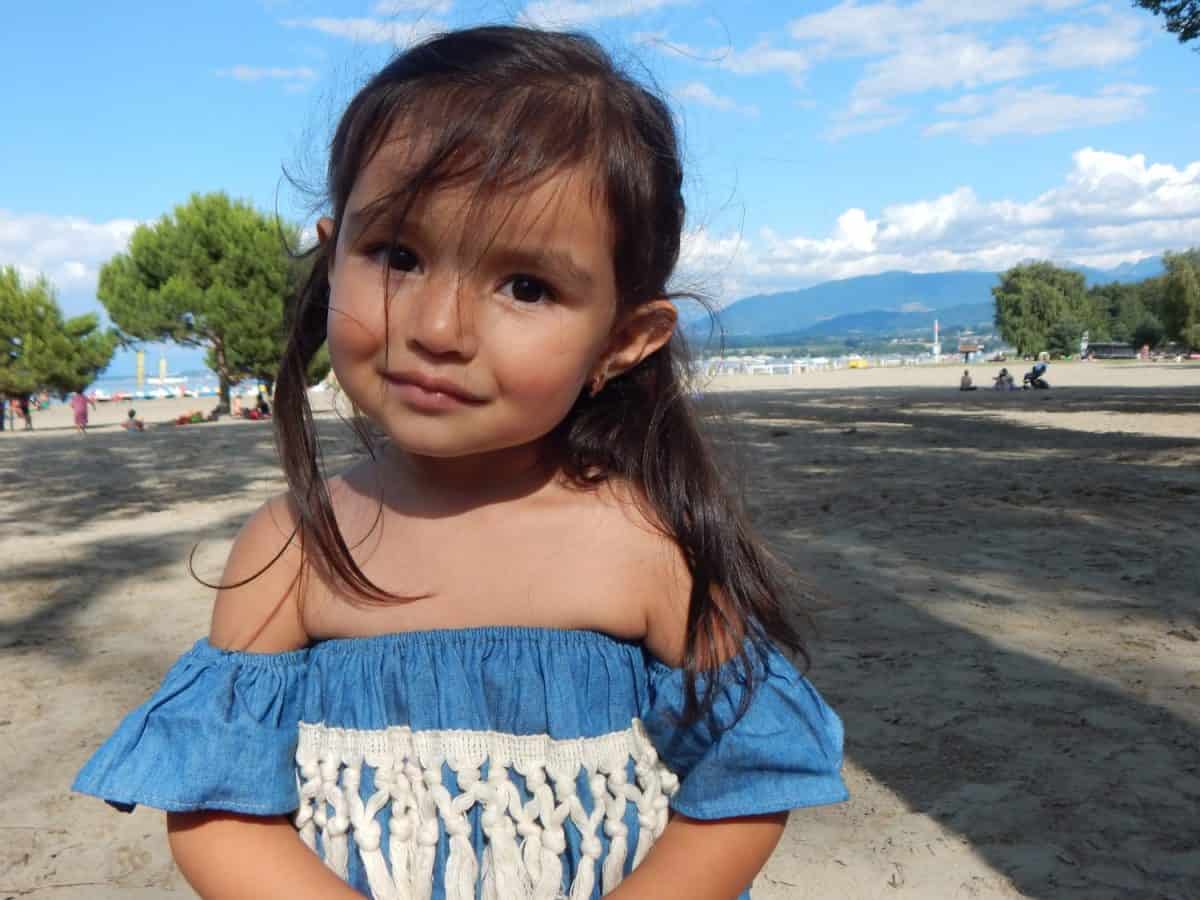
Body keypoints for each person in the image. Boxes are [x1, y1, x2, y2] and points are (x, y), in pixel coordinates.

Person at [72, 27, 847, 900]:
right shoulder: (294, 548)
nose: (437, 329)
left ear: (623, 340)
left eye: (527, 286)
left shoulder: (646, 545)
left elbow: (741, 783)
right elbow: (221, 814)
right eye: (397, 256)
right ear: (333, 259)